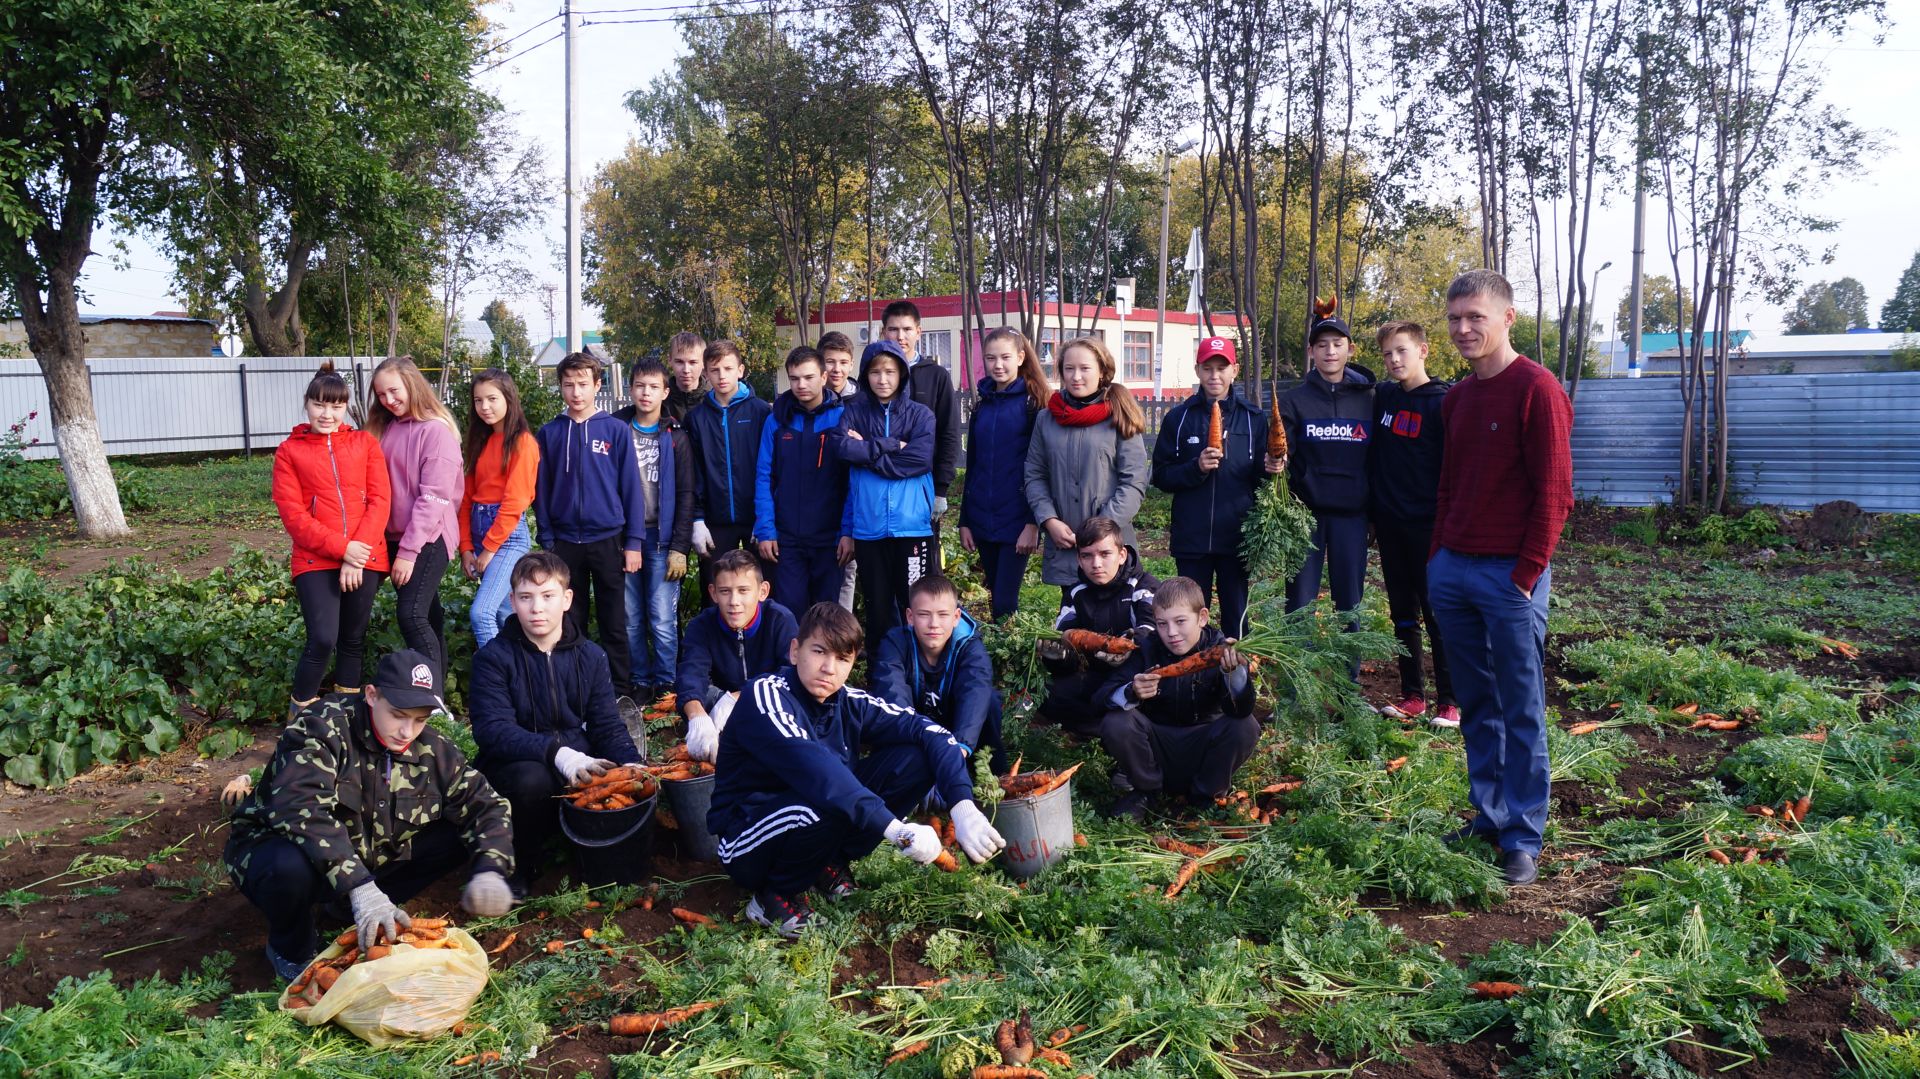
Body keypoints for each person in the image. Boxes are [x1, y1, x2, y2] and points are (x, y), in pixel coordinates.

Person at [709, 601, 1005, 938]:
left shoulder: (849, 701)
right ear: (795, 651)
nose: (828, 668)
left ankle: (826, 863)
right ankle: (773, 895)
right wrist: (898, 831)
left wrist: (962, 804)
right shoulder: (766, 696)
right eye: (819, 652)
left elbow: (931, 733)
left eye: (842, 659)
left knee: (917, 756)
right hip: (747, 838)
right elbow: (818, 773)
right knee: (825, 794)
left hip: (812, 808)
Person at [224, 650, 514, 981]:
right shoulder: (322, 728)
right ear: (372, 696)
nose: (407, 731)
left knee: (455, 834)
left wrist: (492, 866)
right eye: (399, 715)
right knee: (285, 867)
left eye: (420, 719)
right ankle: (291, 948)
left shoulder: (434, 750)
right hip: (284, 852)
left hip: (370, 858)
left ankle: (345, 910)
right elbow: (298, 808)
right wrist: (360, 886)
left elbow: (486, 804)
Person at [1427, 269, 1574, 886]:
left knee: (1520, 706)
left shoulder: (1536, 390)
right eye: (1455, 318)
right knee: (1476, 702)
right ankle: (1487, 814)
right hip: (1453, 571)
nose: (1463, 329)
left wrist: (1527, 574)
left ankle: (1522, 833)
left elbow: (1556, 493)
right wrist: (1438, 557)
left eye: (1476, 317)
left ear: (1507, 317)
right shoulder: (1457, 399)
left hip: (1509, 576)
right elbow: (1449, 486)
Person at [468, 552, 647, 894]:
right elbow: (492, 731)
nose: (537, 608)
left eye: (548, 596)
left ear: (566, 599)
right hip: (518, 763)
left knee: (620, 777)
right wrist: (557, 753)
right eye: (526, 597)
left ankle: (585, 849)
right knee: (531, 780)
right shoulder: (493, 658)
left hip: (577, 757)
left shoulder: (591, 656)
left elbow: (605, 724)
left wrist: (634, 765)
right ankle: (522, 863)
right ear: (512, 601)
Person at [271, 362, 391, 717]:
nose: (328, 414)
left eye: (336, 406)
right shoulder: (289, 452)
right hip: (314, 559)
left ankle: (344, 718)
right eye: (320, 405)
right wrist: (343, 551)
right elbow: (294, 516)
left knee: (352, 640)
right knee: (323, 638)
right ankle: (300, 721)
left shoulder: (364, 443)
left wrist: (355, 556)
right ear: (307, 404)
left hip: (365, 555)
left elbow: (380, 500)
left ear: (346, 406)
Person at [1150, 336, 1284, 637]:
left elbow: (1261, 479)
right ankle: (1196, 674)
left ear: (1234, 371)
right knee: (1190, 615)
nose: (1215, 375)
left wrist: (1272, 469)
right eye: (1208, 368)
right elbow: (1160, 476)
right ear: (1197, 370)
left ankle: (1237, 677)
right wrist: (1195, 468)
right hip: (1191, 538)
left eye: (1222, 368)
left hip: (1236, 535)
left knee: (1237, 617)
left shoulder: (1252, 419)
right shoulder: (1179, 418)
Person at [1094, 577, 1258, 822]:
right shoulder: (1146, 649)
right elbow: (1100, 698)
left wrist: (1235, 675)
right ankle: (1146, 792)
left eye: (1180, 621)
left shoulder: (1221, 649)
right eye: (1162, 624)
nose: (1171, 633)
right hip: (1157, 749)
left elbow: (1241, 710)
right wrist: (1131, 691)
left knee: (1245, 726)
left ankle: (1205, 796)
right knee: (1117, 721)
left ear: (1202, 617)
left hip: (1204, 747)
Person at [534, 352, 647, 697]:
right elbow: (541, 490)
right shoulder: (550, 433)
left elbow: (631, 489)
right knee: (571, 620)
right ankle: (576, 689)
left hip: (608, 540)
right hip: (565, 543)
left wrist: (634, 542)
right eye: (568, 385)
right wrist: (548, 538)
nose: (576, 392)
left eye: (583, 384)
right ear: (561, 388)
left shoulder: (615, 430)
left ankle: (621, 691)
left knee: (615, 620)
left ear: (597, 385)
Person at [1367, 321, 1458, 728]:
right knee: (1402, 614)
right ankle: (1412, 696)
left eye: (1402, 351)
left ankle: (1451, 702)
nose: (1394, 360)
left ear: (1424, 350)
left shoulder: (1444, 402)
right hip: (1390, 525)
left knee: (1437, 614)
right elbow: (1354, 378)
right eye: (1387, 353)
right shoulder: (1384, 396)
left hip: (1430, 527)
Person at [1023, 335, 1149, 598]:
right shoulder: (1047, 419)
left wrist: (1101, 531)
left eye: (1085, 368)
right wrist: (1049, 520)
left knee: (1118, 625)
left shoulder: (1119, 417)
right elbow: (1035, 475)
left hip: (1110, 547)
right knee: (1074, 623)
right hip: (1065, 543)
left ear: (1102, 372)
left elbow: (1134, 482)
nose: (1076, 376)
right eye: (1069, 369)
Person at [366, 356, 462, 677]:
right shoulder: (385, 428)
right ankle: (439, 699)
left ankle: (430, 700)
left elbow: (433, 499)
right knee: (428, 616)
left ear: (412, 385)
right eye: (381, 395)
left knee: (411, 615)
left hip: (428, 537)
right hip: (393, 536)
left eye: (394, 391)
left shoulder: (436, 432)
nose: (389, 400)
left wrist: (408, 552)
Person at [1277, 307, 1375, 617]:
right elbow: (1282, 454)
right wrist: (1274, 464)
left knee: (1349, 604)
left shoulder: (1371, 398)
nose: (1329, 351)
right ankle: (1299, 665)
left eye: (1337, 343)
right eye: (1321, 345)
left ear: (1350, 348)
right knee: (1299, 604)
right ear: (1311, 351)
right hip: (1306, 516)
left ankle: (1348, 666)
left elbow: (1380, 458)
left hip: (1353, 516)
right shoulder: (1294, 400)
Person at [839, 340, 938, 644]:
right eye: (875, 372)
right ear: (866, 375)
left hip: (911, 528)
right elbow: (843, 449)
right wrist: (893, 446)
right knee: (877, 609)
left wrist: (868, 454)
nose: (883, 379)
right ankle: (883, 676)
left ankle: (919, 672)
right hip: (869, 529)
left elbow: (919, 460)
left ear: (902, 375)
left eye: (890, 372)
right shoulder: (853, 411)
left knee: (915, 605)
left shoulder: (921, 415)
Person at [612, 357, 696, 701]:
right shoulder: (616, 428)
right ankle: (640, 681)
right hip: (624, 538)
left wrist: (680, 545)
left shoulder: (676, 436)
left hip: (662, 540)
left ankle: (666, 684)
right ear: (630, 389)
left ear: (665, 391)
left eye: (653, 387)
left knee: (662, 617)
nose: (646, 393)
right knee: (631, 615)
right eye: (639, 386)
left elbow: (687, 492)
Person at [1035, 517, 1159, 737]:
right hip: (1095, 672)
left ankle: (1118, 726)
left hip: (1134, 674)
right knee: (1047, 692)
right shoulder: (1075, 593)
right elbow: (1067, 636)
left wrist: (1130, 646)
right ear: (1079, 560)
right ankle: (1092, 728)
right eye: (1087, 555)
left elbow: (1152, 631)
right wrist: (1059, 656)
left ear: (1121, 555)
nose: (1096, 564)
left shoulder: (1144, 586)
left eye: (1104, 554)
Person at [958, 327, 1047, 620]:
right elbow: (973, 466)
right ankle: (997, 657)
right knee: (996, 594)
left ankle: (1009, 661)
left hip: (1017, 520)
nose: (998, 365)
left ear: (1021, 357)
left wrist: (1033, 523)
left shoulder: (1033, 404)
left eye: (1006, 357)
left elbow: (1042, 467)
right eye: (991, 358)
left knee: (1006, 602)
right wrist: (965, 521)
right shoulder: (981, 405)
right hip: (982, 518)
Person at [677, 549, 800, 762]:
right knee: (699, 696)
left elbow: (790, 674)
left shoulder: (780, 620)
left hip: (769, 700)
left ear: (762, 591)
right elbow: (691, 673)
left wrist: (740, 697)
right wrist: (697, 716)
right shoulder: (701, 625)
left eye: (743, 590)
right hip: (720, 703)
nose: (734, 601)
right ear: (713, 593)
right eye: (725, 592)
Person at [871, 574, 1004, 770]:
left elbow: (975, 690)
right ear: (910, 617)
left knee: (989, 701)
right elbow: (892, 692)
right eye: (924, 614)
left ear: (956, 617)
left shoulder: (970, 646)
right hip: (914, 728)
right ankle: (905, 772)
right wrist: (920, 743)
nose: (934, 623)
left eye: (943, 615)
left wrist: (958, 748)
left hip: (955, 725)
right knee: (882, 708)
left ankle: (988, 772)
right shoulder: (895, 643)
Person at [755, 346, 850, 617]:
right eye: (794, 378)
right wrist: (766, 530)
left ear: (823, 377)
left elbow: (852, 482)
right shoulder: (776, 421)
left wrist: (847, 531)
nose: (801, 385)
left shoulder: (842, 417)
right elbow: (763, 477)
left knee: (826, 614)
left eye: (808, 377)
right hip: (787, 540)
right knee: (789, 612)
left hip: (830, 539)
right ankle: (790, 661)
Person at [686, 339, 773, 598]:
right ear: (705, 374)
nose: (721, 376)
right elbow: (694, 473)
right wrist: (698, 519)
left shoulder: (761, 412)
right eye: (714, 370)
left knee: (762, 589)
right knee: (716, 592)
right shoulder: (696, 418)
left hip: (756, 518)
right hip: (715, 520)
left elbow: (770, 468)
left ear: (741, 370)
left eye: (728, 368)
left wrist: (766, 517)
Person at [460, 369, 540, 649]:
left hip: (507, 539)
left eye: (492, 399)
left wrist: (489, 548)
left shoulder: (522, 443)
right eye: (478, 400)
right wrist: (467, 548)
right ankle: (523, 680)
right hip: (480, 532)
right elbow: (466, 499)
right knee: (507, 616)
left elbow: (515, 502)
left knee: (481, 614)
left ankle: (495, 684)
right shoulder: (479, 442)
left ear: (509, 398)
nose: (484, 407)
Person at [880, 300, 961, 536]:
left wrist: (941, 489)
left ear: (918, 332)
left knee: (921, 564)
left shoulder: (936, 376)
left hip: (923, 484)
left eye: (906, 329)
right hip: (882, 486)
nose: (900, 336)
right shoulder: (875, 376)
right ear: (884, 332)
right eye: (893, 329)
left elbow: (949, 433)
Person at [817, 331, 861, 612]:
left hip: (856, 496)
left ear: (852, 364)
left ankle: (844, 635)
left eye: (843, 362)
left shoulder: (863, 401)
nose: (836, 369)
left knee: (849, 571)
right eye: (829, 361)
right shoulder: (808, 400)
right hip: (820, 500)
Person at [665, 330, 709, 422]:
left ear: (704, 362)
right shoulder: (659, 400)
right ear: (669, 360)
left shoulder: (714, 400)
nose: (686, 370)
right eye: (679, 362)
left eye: (693, 362)